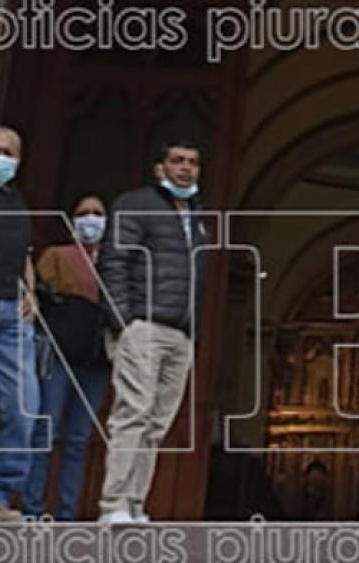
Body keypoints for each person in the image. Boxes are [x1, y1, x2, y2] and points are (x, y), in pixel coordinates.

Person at [98, 140, 208, 524]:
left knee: (157, 424)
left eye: (193, 163)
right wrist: (124, 324)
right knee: (133, 414)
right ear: (160, 167)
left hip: (181, 334)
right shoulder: (136, 203)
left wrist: (194, 332)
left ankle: (134, 504)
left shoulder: (196, 216)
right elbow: (114, 263)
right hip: (143, 327)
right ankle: (113, 505)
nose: (186, 169)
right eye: (177, 161)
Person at [23, 194, 112, 521]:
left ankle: (66, 515)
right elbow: (40, 297)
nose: (90, 219)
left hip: (97, 363)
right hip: (60, 357)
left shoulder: (114, 262)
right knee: (45, 433)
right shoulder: (57, 256)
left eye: (97, 213)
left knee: (78, 440)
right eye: (83, 213)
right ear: (72, 219)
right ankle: (32, 509)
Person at [0, 125, 40, 523]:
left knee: (24, 405)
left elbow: (24, 251)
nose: (0, 158)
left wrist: (31, 290)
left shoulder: (17, 201)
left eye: (8, 152)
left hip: (11, 313)